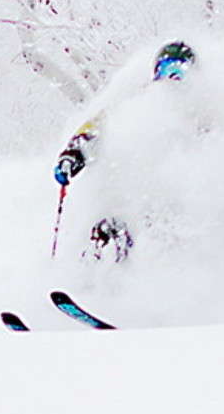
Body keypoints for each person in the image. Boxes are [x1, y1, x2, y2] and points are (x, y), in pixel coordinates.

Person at [53, 41, 196, 262]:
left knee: (162, 240)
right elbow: (94, 129)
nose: (173, 79)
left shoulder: (201, 112)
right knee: (108, 230)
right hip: (132, 195)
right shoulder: (134, 104)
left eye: (180, 72)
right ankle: (87, 282)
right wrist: (72, 156)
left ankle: (156, 286)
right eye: (167, 70)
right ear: (156, 73)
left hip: (174, 203)